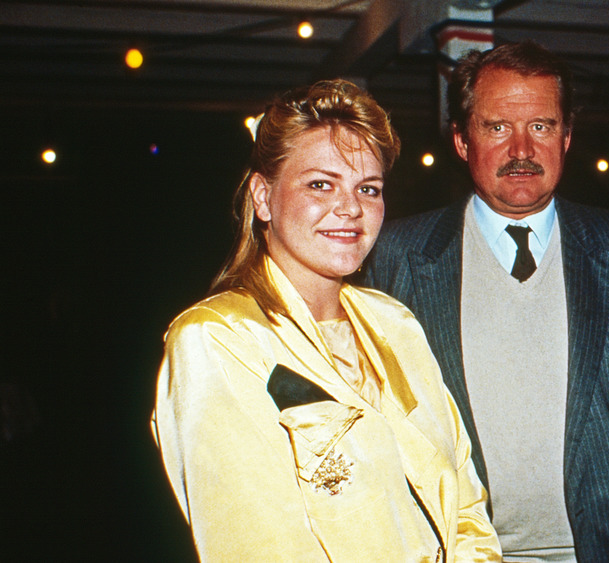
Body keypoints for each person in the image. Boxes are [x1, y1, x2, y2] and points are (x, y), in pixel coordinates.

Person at [363, 41, 609, 561]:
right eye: (497, 127)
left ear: (566, 137)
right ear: (460, 140)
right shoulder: (398, 254)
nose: (522, 149)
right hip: (460, 552)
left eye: (540, 126)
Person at [151, 79, 501, 562]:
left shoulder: (393, 322)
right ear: (262, 196)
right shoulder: (219, 339)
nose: (351, 208)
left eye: (368, 189)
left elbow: (465, 502)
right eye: (320, 184)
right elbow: (258, 548)